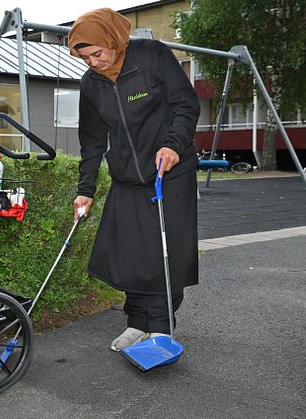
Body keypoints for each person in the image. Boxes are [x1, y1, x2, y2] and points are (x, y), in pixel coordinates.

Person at [68, 8, 200, 351]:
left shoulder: (152, 57)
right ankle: (137, 322)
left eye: (97, 53)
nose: (94, 62)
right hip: (127, 176)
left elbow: (186, 104)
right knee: (130, 253)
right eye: (85, 58)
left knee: (163, 251)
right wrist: (85, 190)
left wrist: (173, 145)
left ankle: (161, 326)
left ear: (113, 40)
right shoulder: (91, 84)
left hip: (168, 172)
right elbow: (92, 141)